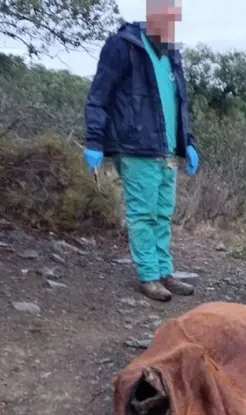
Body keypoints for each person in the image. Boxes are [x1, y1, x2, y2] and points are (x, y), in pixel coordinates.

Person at [83, 0, 199, 302]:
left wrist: (188, 142)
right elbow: (98, 96)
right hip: (135, 147)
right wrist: (94, 141)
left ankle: (163, 271)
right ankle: (148, 275)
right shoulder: (123, 47)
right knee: (143, 213)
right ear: (151, 15)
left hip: (167, 150)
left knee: (163, 213)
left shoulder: (172, 55)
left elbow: (179, 104)